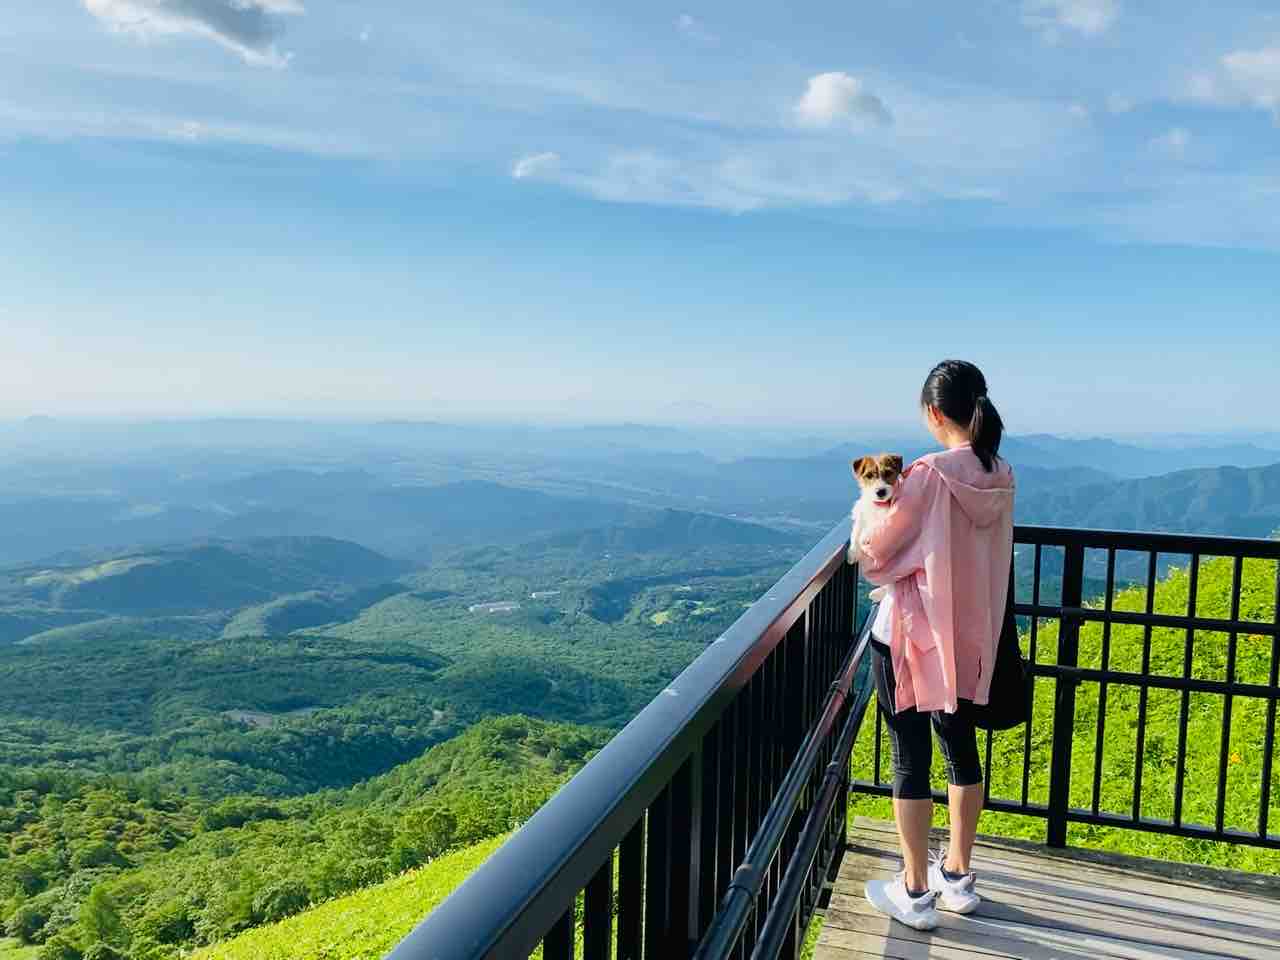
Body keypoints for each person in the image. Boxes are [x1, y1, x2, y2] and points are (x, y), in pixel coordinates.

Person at [858, 359, 1015, 931]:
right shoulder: (999, 472)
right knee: (961, 748)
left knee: (909, 757)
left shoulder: (927, 474)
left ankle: (916, 894)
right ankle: (959, 877)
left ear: (932, 412)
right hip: (973, 638)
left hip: (912, 636)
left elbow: (877, 554)